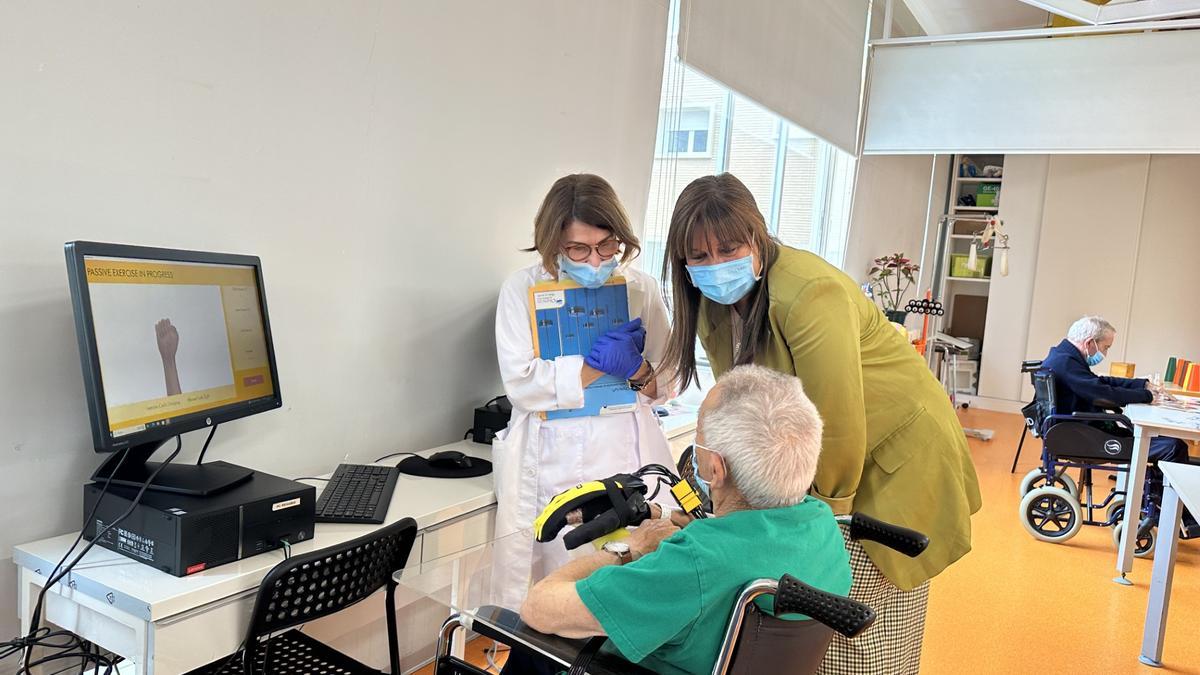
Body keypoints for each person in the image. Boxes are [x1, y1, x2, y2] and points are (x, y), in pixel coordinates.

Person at [659, 173, 981, 675]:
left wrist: (816, 531)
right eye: (699, 257)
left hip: (892, 456)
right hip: (826, 456)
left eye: (728, 249)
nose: (715, 266)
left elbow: (840, 425)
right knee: (807, 629)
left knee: (856, 624)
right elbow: (745, 404)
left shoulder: (812, 294)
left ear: (758, 240)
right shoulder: (712, 305)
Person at [511, 365, 851, 675]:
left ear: (715, 469)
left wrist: (629, 548)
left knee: (521, 639)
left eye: (699, 435)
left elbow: (538, 607)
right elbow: (740, 553)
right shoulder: (824, 527)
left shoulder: (693, 564)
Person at [491, 173, 676, 610]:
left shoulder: (641, 288)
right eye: (578, 249)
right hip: (550, 456)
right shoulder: (521, 289)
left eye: (606, 246)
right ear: (552, 242)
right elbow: (521, 384)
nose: (595, 260)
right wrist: (592, 366)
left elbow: (669, 382)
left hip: (625, 448)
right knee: (556, 586)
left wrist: (638, 368)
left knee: (628, 577)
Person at [1042, 315, 1194, 531]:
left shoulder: (1063, 356)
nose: (1104, 353)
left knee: (1166, 443)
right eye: (1105, 347)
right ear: (1089, 343)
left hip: (1079, 429)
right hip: (1083, 434)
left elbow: (1100, 382)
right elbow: (1100, 392)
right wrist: (1146, 397)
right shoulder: (1066, 362)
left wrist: (1143, 385)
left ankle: (1168, 508)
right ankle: (1178, 516)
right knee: (1173, 447)